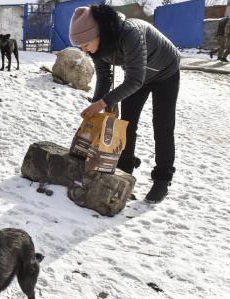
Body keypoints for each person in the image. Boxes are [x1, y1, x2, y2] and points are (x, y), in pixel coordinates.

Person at [69, 4, 180, 203]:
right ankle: (124, 169)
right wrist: (97, 107)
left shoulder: (130, 32)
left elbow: (135, 80)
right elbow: (104, 76)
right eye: (80, 47)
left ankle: (162, 180)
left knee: (162, 125)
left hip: (165, 71)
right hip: (139, 75)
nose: (84, 51)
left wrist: (104, 102)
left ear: (99, 32)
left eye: (85, 44)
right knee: (126, 123)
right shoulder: (98, 47)